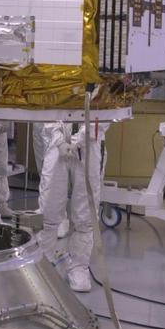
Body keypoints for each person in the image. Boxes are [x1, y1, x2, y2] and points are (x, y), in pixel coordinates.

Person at [38, 118, 107, 292]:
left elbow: (106, 110)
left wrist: (80, 139)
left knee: (86, 212)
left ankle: (78, 266)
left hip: (90, 143)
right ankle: (44, 260)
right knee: (49, 205)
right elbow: (48, 108)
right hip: (57, 144)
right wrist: (59, 139)